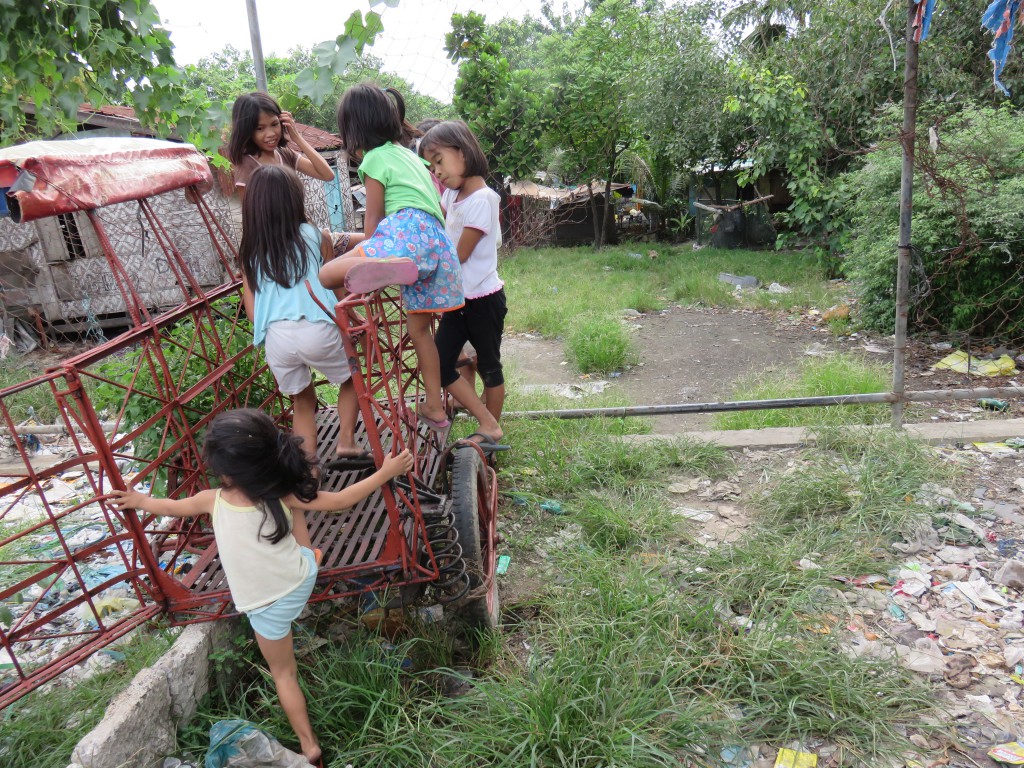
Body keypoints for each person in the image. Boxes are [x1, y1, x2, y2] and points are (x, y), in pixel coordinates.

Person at [110, 408, 414, 767]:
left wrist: (139, 501)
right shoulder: (281, 493)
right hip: (299, 581)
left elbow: (174, 508)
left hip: (264, 608)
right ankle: (312, 556)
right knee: (300, 522)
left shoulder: (212, 500)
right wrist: (386, 472)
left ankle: (310, 746)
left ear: (225, 472)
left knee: (284, 674)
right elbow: (342, 501)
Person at [320, 84, 484, 440]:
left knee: (326, 274)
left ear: (353, 127)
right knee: (419, 331)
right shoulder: (413, 156)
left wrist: (357, 246)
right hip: (437, 247)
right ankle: (434, 406)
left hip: (402, 236)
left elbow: (374, 221)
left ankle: (386, 269)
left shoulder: (374, 159)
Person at [238, 165, 372, 495]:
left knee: (302, 400)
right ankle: (346, 443)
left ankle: (310, 471)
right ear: (294, 200)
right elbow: (335, 288)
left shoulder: (249, 251)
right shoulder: (316, 236)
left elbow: (253, 311)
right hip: (318, 328)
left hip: (277, 339)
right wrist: (355, 324)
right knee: (351, 379)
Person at [419, 121, 507, 447]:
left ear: (462, 150)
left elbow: (459, 254)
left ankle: (489, 439)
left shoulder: (483, 199)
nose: (436, 172)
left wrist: (421, 268)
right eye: (431, 166)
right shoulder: (452, 196)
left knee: (489, 367)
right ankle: (486, 422)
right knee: (440, 365)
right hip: (456, 300)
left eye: (439, 161)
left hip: (484, 301)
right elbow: (434, 227)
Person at [224, 92, 336, 202]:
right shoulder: (247, 165)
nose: (271, 133)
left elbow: (327, 175)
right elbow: (251, 214)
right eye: (260, 128)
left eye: (274, 124)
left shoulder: (284, 154)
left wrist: (297, 137)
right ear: (247, 131)